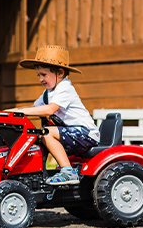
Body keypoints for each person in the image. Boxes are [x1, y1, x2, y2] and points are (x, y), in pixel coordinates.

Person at [7, 45, 100, 185]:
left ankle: (68, 172)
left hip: (85, 134)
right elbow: (34, 108)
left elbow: (49, 110)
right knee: (36, 135)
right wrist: (9, 112)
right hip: (72, 133)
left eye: (44, 74)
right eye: (38, 75)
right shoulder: (48, 93)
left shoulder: (65, 88)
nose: (40, 79)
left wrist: (17, 112)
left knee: (46, 132)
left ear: (60, 73)